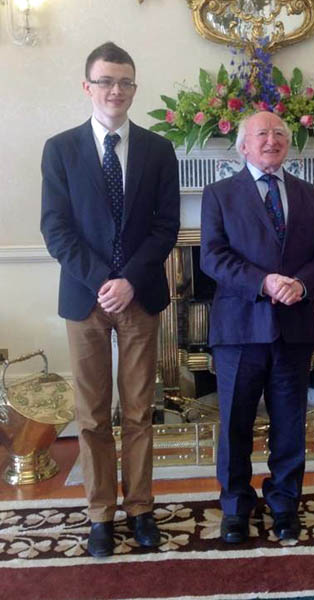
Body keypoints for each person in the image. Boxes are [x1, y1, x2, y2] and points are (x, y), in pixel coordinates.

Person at [41, 42, 180, 557]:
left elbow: (168, 227)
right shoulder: (60, 149)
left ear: (134, 89)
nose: (115, 91)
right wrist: (104, 279)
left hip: (141, 297)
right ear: (88, 87)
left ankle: (140, 507)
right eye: (105, 81)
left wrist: (130, 280)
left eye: (124, 82)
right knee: (93, 415)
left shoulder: (159, 150)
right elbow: (55, 229)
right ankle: (101, 514)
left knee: (141, 411)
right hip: (85, 298)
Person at [200, 111, 314, 543]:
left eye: (280, 133)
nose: (272, 140)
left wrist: (300, 283)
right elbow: (213, 257)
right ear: (243, 145)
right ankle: (236, 507)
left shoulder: (312, 196)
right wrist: (263, 282)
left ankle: (283, 505)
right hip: (240, 330)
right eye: (262, 133)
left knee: (289, 424)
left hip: (294, 328)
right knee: (236, 426)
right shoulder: (219, 194)